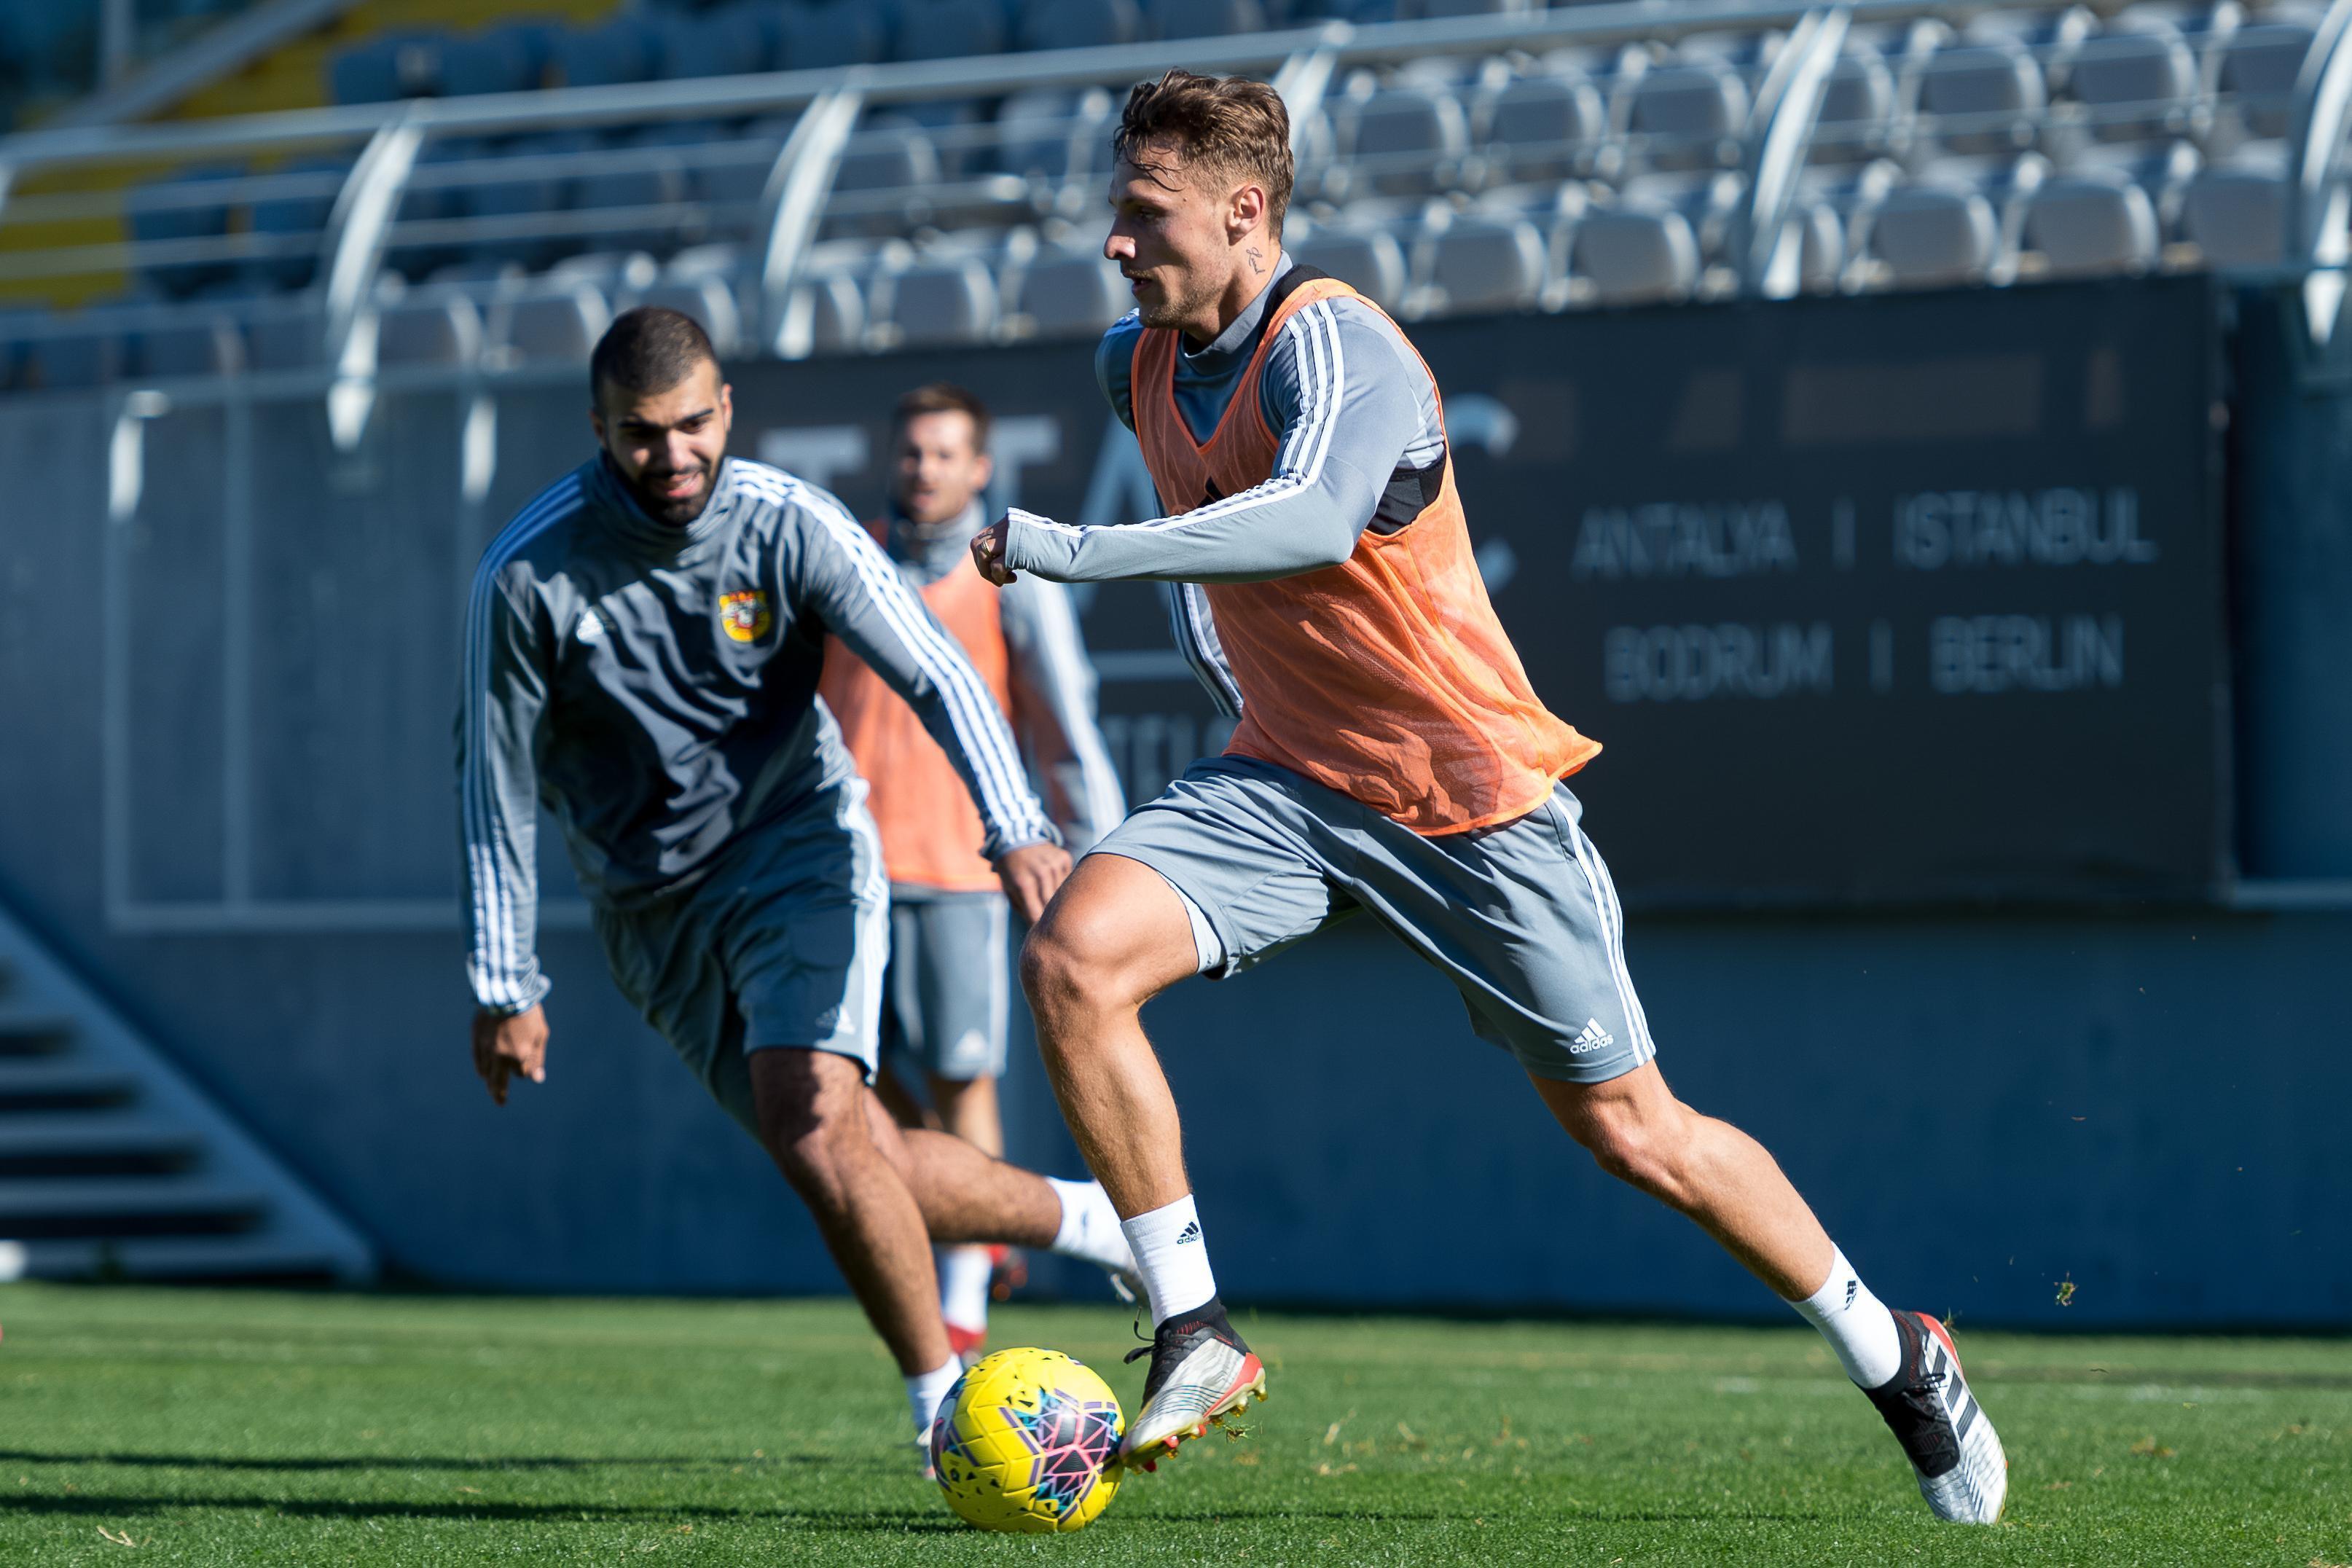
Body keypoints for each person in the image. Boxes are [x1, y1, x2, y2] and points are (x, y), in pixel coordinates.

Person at [971, 71, 2009, 1524]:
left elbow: (1313, 519)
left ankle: (1895, 1352)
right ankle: (1195, 1322)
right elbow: (1216, 559)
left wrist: (1079, 551)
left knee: (1637, 1132)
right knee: (1072, 959)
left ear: (1244, 210)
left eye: (1147, 213)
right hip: (1286, 777)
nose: (1116, 241)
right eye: (1117, 210)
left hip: (1465, 796)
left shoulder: (1342, 346)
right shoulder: (1130, 363)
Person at [458, 307, 1137, 1457]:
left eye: (691, 425)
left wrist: (1017, 826)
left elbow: (938, 673)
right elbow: (494, 782)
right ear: (599, 429)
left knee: (818, 1125)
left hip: (800, 846)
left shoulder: (790, 522)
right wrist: (503, 983)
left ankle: (943, 1416)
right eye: (641, 433)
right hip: (650, 910)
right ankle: (1088, 1218)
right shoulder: (528, 574)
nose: (672, 454)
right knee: (847, 1148)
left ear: (726, 411)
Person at [818, 383, 1125, 1362]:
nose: (925, 469)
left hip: (956, 870)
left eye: (945, 454)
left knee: (962, 1075)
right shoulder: (846, 559)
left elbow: (1065, 724)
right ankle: (974, 1227)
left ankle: (967, 1291)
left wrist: (1098, 857)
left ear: (980, 468)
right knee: (842, 1086)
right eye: (912, 452)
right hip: (843, 873)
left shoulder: (1010, 576)